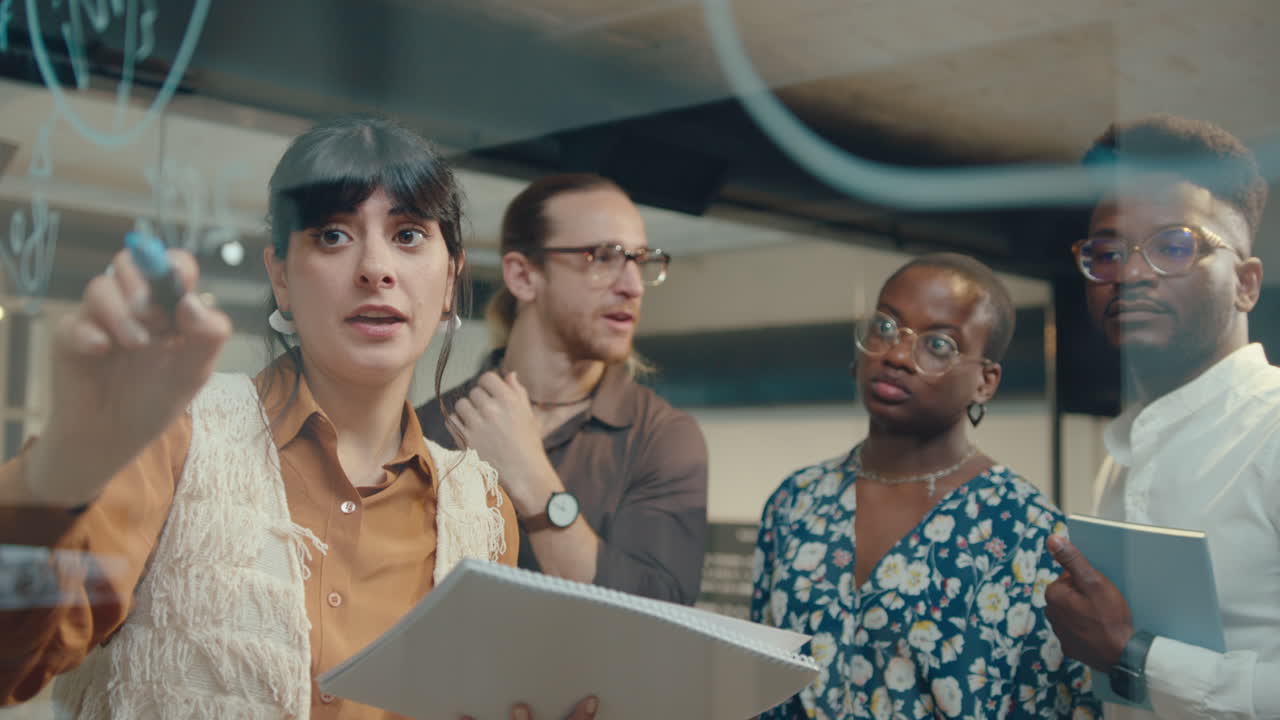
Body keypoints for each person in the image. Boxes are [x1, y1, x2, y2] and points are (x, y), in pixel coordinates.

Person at [0, 115, 595, 720]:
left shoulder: (482, 511)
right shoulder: (177, 435)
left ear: (450, 281)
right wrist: (62, 466)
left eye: (409, 234)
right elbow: (13, 655)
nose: (375, 268)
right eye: (333, 235)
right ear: (281, 276)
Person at [752, 253, 1101, 719]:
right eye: (886, 327)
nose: (896, 355)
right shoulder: (797, 502)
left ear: (985, 382)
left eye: (939, 344)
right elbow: (757, 683)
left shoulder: (1027, 531)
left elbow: (1056, 704)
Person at [1045, 115, 1280, 719]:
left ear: (1247, 285)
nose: (1129, 273)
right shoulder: (1125, 457)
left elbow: (1127, 654)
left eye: (1174, 246)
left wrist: (1136, 656)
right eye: (1105, 252)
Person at [417, 173, 708, 604]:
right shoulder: (427, 428)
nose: (631, 286)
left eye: (640, 260)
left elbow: (659, 620)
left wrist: (534, 483)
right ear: (523, 276)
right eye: (603, 257)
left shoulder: (663, 438)